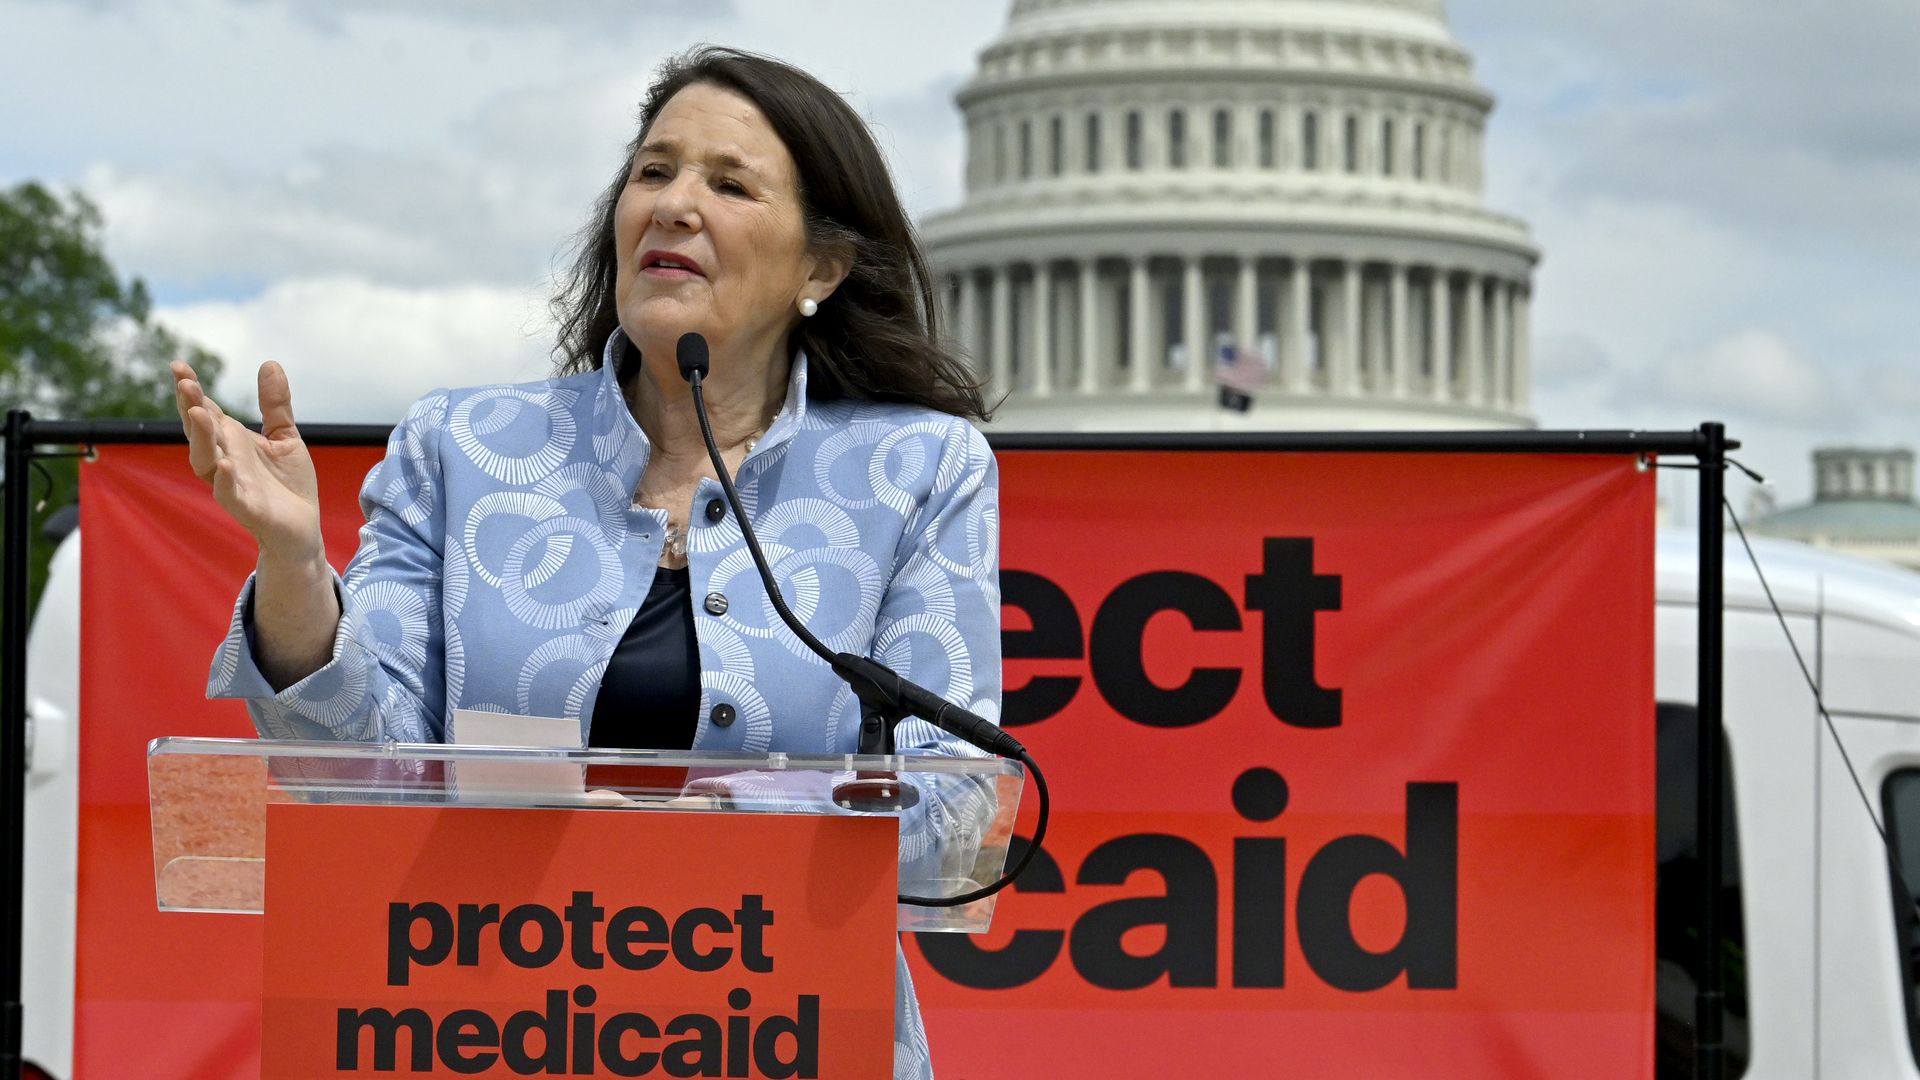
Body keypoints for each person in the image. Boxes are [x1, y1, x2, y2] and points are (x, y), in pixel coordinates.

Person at [170, 46, 1000, 1080]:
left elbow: (956, 803)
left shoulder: (916, 469)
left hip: (791, 1041)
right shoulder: (463, 449)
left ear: (821, 269)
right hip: (484, 1033)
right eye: (653, 172)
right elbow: (357, 780)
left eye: (728, 184)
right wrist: (294, 566)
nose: (674, 205)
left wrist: (691, 826)